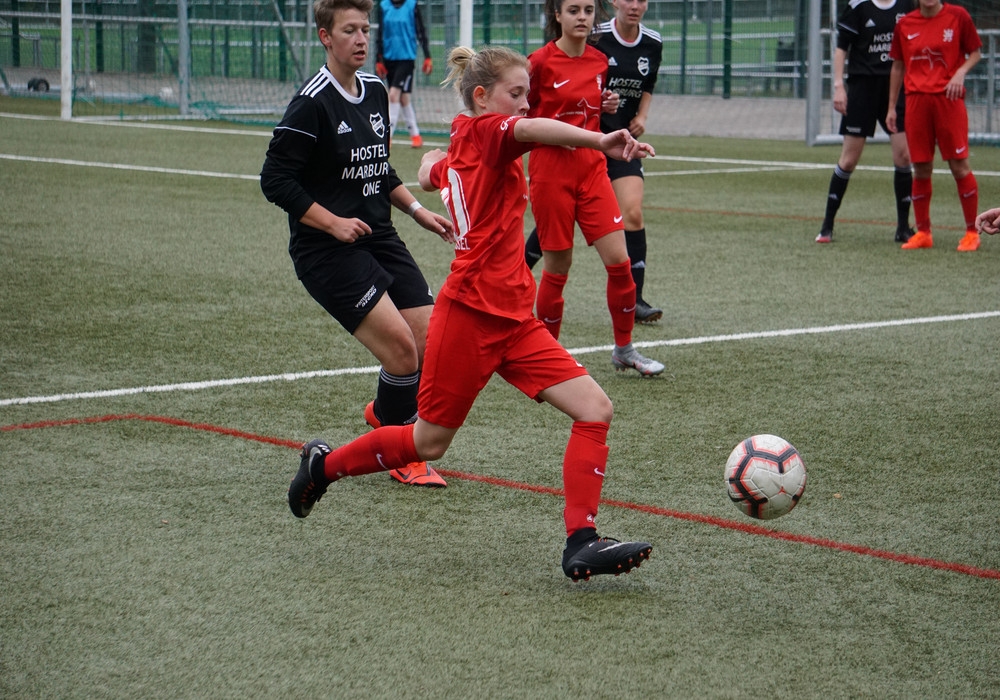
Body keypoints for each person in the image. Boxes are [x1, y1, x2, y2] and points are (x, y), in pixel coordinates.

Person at [287, 45, 655, 582]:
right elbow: (530, 134)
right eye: (515, 94)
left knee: (595, 409)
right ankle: (322, 467)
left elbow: (432, 168)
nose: (525, 106)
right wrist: (600, 139)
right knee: (427, 441)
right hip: (471, 313)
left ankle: (582, 541)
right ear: (482, 97)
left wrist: (434, 166)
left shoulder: (465, 135)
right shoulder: (488, 132)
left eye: (528, 94)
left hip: (514, 317)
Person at [260, 0, 453, 487]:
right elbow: (275, 180)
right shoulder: (312, 102)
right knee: (402, 352)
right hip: (325, 250)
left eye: (366, 29)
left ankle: (385, 409)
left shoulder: (372, 91)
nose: (362, 39)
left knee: (430, 339)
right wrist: (332, 223)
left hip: (378, 234)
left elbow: (378, 168)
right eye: (350, 30)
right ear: (326, 37)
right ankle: (403, 451)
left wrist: (417, 210)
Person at [524, 0, 666, 375]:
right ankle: (550, 358)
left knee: (619, 261)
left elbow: (593, 112)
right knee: (558, 264)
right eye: (573, 10)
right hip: (551, 171)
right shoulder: (537, 63)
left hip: (592, 169)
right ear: (557, 15)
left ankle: (624, 350)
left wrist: (608, 105)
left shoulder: (600, 61)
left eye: (588, 10)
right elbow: (521, 116)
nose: (582, 17)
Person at [887, 0, 982, 252]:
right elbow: (897, 66)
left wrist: (960, 72)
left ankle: (972, 232)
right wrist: (891, 108)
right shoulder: (905, 24)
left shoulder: (958, 16)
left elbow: (975, 52)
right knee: (920, 167)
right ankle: (924, 232)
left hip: (948, 101)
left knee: (959, 166)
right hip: (916, 102)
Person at [816, 0, 914, 245]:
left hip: (894, 88)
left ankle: (903, 228)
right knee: (849, 159)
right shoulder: (858, 6)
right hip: (862, 88)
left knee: (903, 157)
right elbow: (841, 49)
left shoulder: (906, 5)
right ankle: (827, 226)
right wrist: (839, 86)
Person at [374, 0, 432, 147]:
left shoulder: (412, 5)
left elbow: (421, 31)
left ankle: (387, 137)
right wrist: (378, 59)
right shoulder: (384, 6)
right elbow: (380, 33)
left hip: (406, 59)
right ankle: (416, 136)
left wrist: (427, 56)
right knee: (403, 98)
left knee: (393, 96)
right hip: (389, 59)